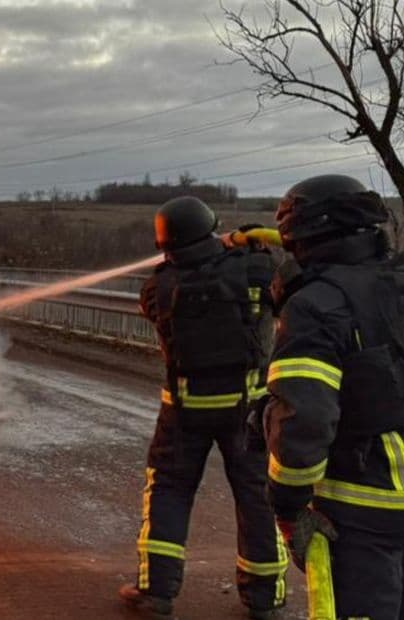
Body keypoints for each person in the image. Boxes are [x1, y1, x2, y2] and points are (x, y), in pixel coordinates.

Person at [263, 175, 404, 619]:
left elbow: (305, 419)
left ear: (303, 235)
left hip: (364, 504)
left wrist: (288, 506)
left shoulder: (317, 304)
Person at [120, 196, 287, 619]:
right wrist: (248, 247)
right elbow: (289, 282)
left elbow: (152, 304)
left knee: (169, 493)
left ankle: (157, 592)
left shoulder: (159, 287)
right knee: (257, 498)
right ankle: (264, 599)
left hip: (183, 409)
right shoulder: (256, 268)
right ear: (211, 227)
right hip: (247, 409)